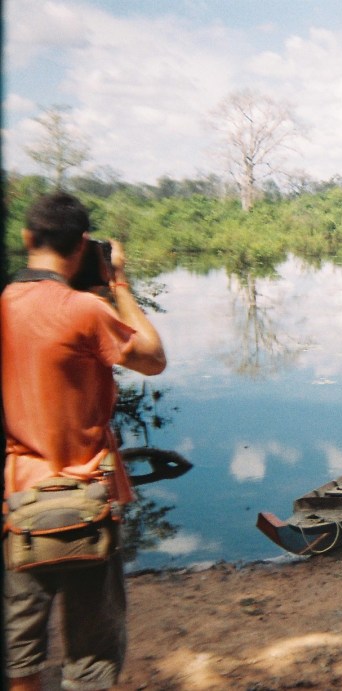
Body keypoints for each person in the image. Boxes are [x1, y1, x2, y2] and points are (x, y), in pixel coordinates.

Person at [2, 192, 166, 690]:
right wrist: (117, 282)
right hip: (87, 503)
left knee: (20, 655)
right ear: (82, 247)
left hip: (17, 504)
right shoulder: (83, 311)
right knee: (90, 659)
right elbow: (153, 358)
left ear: (28, 238)